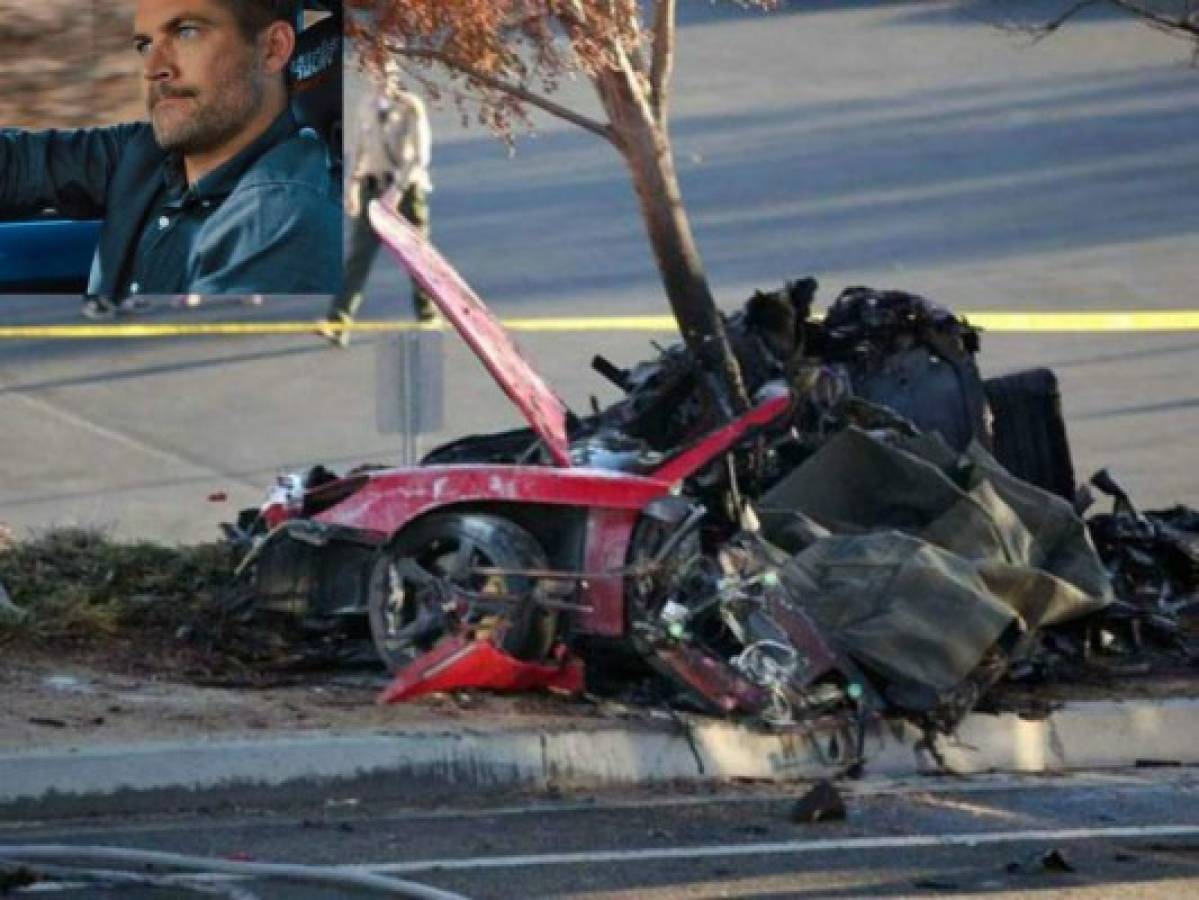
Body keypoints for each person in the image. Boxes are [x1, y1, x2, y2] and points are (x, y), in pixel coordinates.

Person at [0, 0, 341, 313]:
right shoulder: (146, 152)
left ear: (272, 49)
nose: (153, 67)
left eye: (186, 32)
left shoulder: (282, 211)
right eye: (144, 45)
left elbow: (191, 367)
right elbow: (16, 164)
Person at [319, 66, 432, 348]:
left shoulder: (409, 108)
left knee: (417, 258)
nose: (383, 79)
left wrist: (398, 191)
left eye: (388, 73)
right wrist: (353, 188)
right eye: (377, 73)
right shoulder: (367, 105)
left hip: (404, 192)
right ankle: (338, 322)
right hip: (373, 189)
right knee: (358, 258)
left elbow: (419, 156)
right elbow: (360, 150)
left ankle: (427, 315)